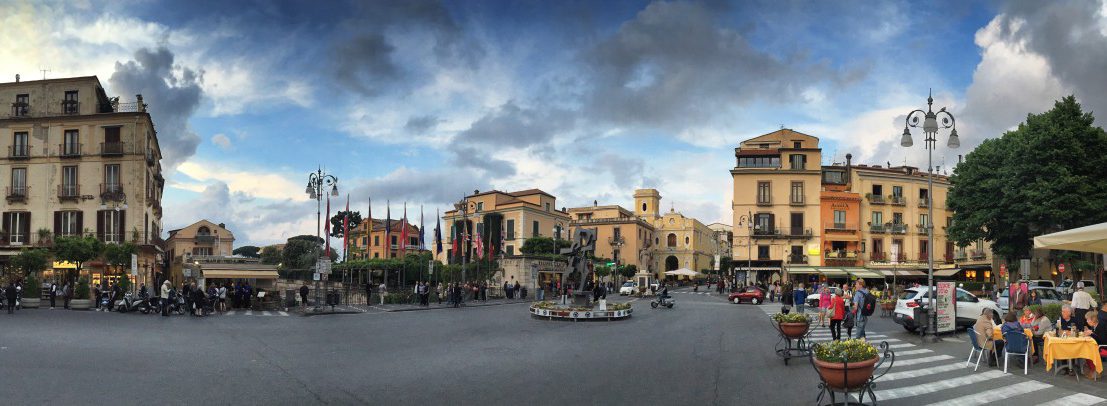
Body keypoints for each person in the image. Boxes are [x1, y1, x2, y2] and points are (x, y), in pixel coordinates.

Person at [1083, 311, 1107, 380]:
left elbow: (1102, 340)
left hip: (1103, 347)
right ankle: (1092, 369)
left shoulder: (1101, 325)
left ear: (1093, 319)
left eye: (1088, 319)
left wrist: (1091, 333)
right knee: (1086, 349)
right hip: (1100, 345)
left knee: (1088, 350)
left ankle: (1096, 371)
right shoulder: (1096, 325)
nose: (1087, 321)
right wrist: (1091, 332)